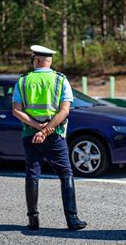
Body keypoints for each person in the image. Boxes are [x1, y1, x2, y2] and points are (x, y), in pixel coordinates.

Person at [12, 45, 87, 231]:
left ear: (36, 60)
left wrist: (37, 128)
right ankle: (72, 219)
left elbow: (16, 111)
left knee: (32, 174)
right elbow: (65, 111)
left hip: (30, 134)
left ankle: (33, 220)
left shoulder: (23, 81)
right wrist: (46, 131)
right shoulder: (61, 80)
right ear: (49, 61)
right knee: (65, 174)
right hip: (55, 135)